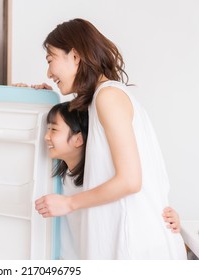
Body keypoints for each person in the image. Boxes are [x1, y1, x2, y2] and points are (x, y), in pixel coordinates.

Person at [19, 18, 186, 259]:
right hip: (132, 244)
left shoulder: (108, 96)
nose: (48, 72)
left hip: (138, 247)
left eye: (50, 60)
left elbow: (130, 180)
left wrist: (69, 204)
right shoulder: (101, 99)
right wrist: (39, 103)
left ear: (74, 56)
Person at [39, 101, 183, 259]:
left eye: (53, 129)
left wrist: (165, 216)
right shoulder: (63, 174)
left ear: (78, 139)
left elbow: (132, 203)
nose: (46, 137)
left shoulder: (99, 180)